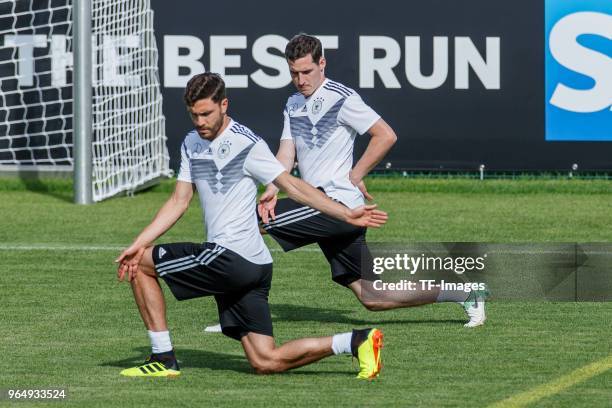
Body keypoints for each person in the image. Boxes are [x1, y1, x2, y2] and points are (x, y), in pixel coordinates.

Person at [115, 73, 387, 379]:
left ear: (224, 105)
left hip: (231, 258)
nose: (200, 122)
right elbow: (179, 202)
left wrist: (345, 213)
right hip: (254, 267)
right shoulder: (191, 143)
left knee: (143, 263)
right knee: (265, 361)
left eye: (206, 114)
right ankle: (356, 341)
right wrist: (138, 241)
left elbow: (293, 187)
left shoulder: (246, 144)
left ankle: (163, 358)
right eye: (194, 115)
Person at [255, 34, 487, 327]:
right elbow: (286, 154)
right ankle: (464, 292)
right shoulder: (292, 103)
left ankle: (246, 317)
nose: (300, 79)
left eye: (306, 71)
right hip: (328, 208)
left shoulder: (342, 97)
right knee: (374, 297)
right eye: (294, 73)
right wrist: (272, 188)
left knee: (247, 224)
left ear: (322, 63)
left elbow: (385, 135)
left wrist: (356, 174)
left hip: (334, 203)